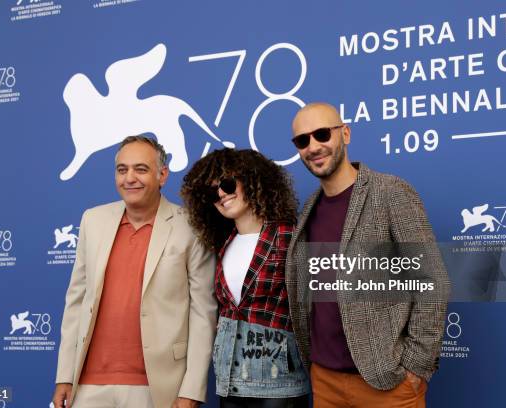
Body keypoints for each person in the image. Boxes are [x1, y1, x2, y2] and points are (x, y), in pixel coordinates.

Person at [285, 102, 450, 408]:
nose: (313, 146)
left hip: (387, 383)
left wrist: (416, 366)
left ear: (345, 133)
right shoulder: (309, 209)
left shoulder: (391, 193)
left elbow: (431, 282)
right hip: (325, 381)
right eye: (302, 140)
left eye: (322, 134)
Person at [52, 136, 217, 408]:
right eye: (122, 170)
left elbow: (203, 313)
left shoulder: (191, 226)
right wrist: (64, 376)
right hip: (89, 385)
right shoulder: (92, 220)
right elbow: (76, 304)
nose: (130, 178)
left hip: (158, 386)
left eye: (141, 169)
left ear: (162, 175)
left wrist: (192, 389)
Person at [180, 149, 310, 408]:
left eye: (227, 184)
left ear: (251, 180)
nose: (221, 195)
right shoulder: (223, 245)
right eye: (211, 192)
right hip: (231, 380)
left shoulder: (289, 235)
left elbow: (315, 306)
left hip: (279, 382)